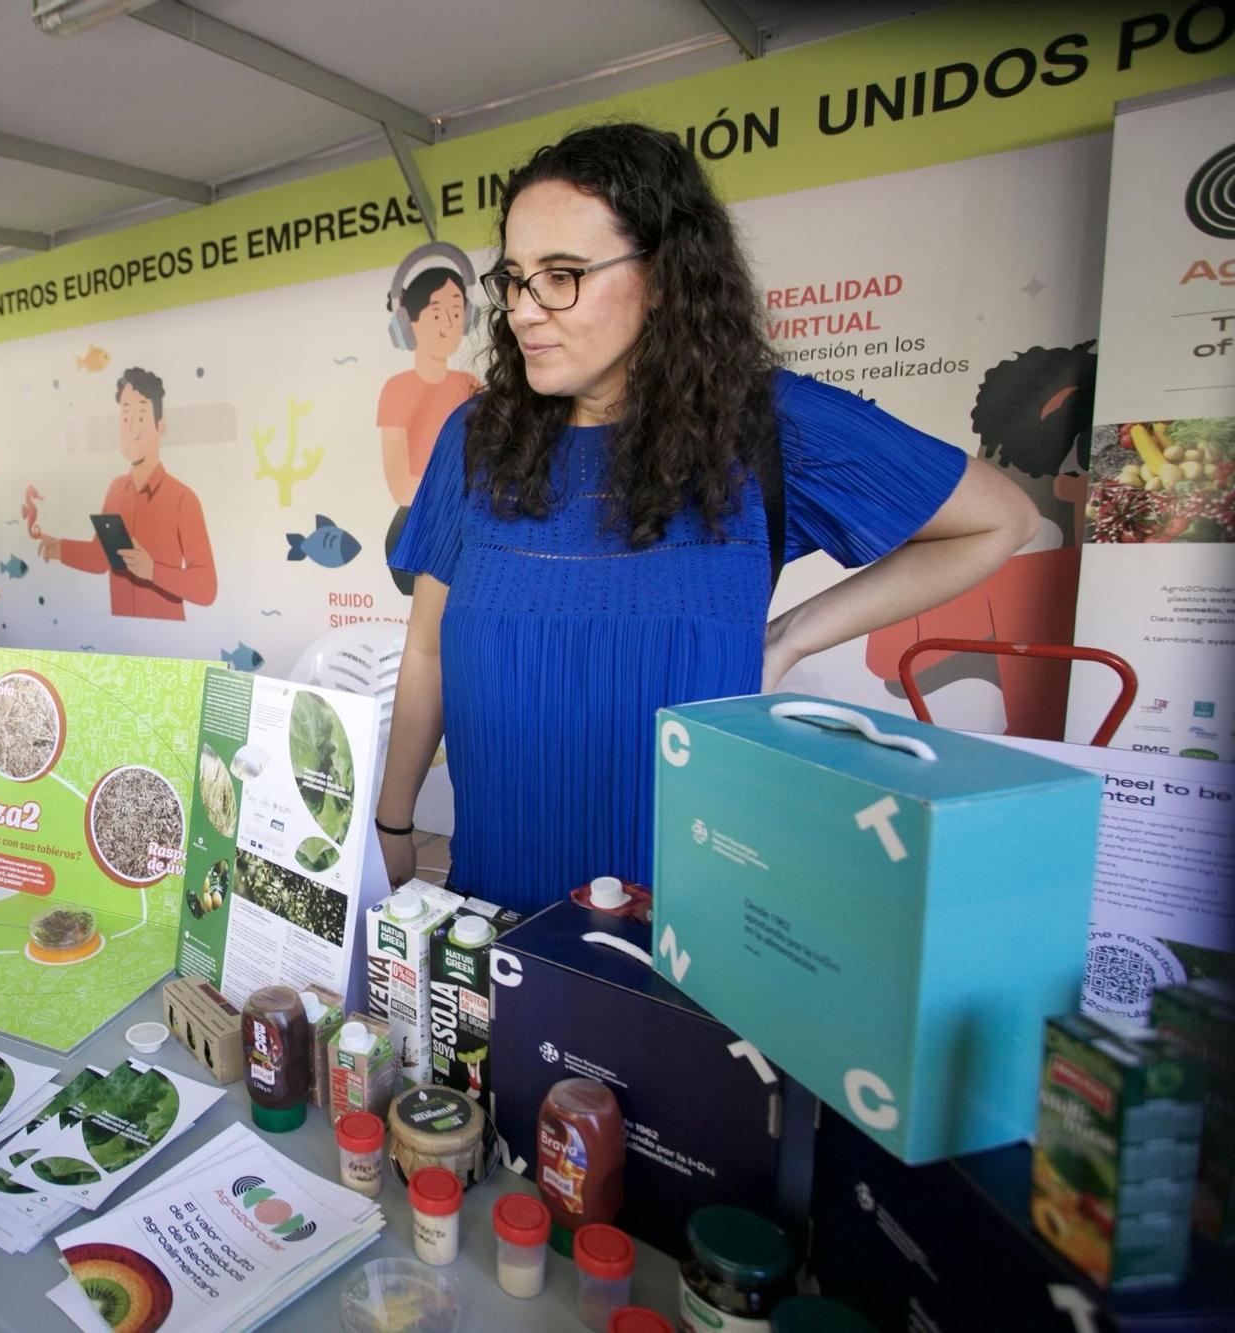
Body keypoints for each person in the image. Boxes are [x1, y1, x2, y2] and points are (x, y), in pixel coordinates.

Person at [375, 124, 1037, 912]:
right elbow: (426, 652)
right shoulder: (476, 440)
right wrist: (393, 821)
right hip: (494, 912)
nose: (523, 311)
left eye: (562, 276)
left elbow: (1001, 519)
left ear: (662, 275)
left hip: (690, 926)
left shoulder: (766, 428)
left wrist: (791, 636)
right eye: (515, 279)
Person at [39, 366, 217, 620]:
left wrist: (153, 570)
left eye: (142, 416)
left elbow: (207, 588)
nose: (132, 427)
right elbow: (102, 559)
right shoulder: (115, 489)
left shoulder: (183, 499)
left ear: (161, 427)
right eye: (124, 418)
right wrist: (60, 549)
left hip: (168, 642)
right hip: (121, 641)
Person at [378, 245, 482, 595]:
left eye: (457, 312)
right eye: (438, 313)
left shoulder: (471, 387)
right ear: (408, 323)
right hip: (416, 528)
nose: (449, 325)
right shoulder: (395, 389)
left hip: (468, 530)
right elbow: (399, 484)